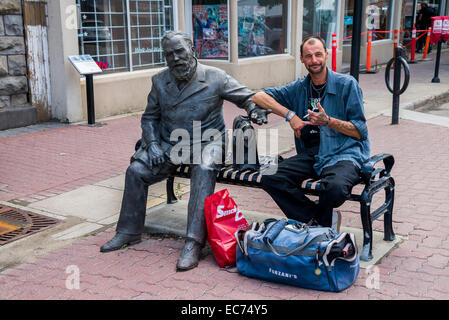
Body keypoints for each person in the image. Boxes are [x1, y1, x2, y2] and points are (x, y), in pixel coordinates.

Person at [100, 31, 269, 271]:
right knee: (136, 170)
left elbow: (247, 97)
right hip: (170, 144)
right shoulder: (159, 81)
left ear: (192, 50)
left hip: (208, 141)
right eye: (169, 54)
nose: (176, 58)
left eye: (180, 51)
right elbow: (149, 118)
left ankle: (193, 242)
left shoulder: (215, 77)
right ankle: (128, 231)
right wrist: (154, 144)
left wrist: (254, 109)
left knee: (203, 167)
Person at [252, 35, 370, 230]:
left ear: (326, 55)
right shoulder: (299, 87)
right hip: (313, 154)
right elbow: (258, 96)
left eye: (318, 55)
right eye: (308, 56)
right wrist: (290, 115)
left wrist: (328, 121)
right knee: (270, 175)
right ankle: (317, 221)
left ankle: (317, 223)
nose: (314, 60)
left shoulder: (347, 84)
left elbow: (360, 132)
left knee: (335, 189)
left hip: (344, 152)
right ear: (302, 59)